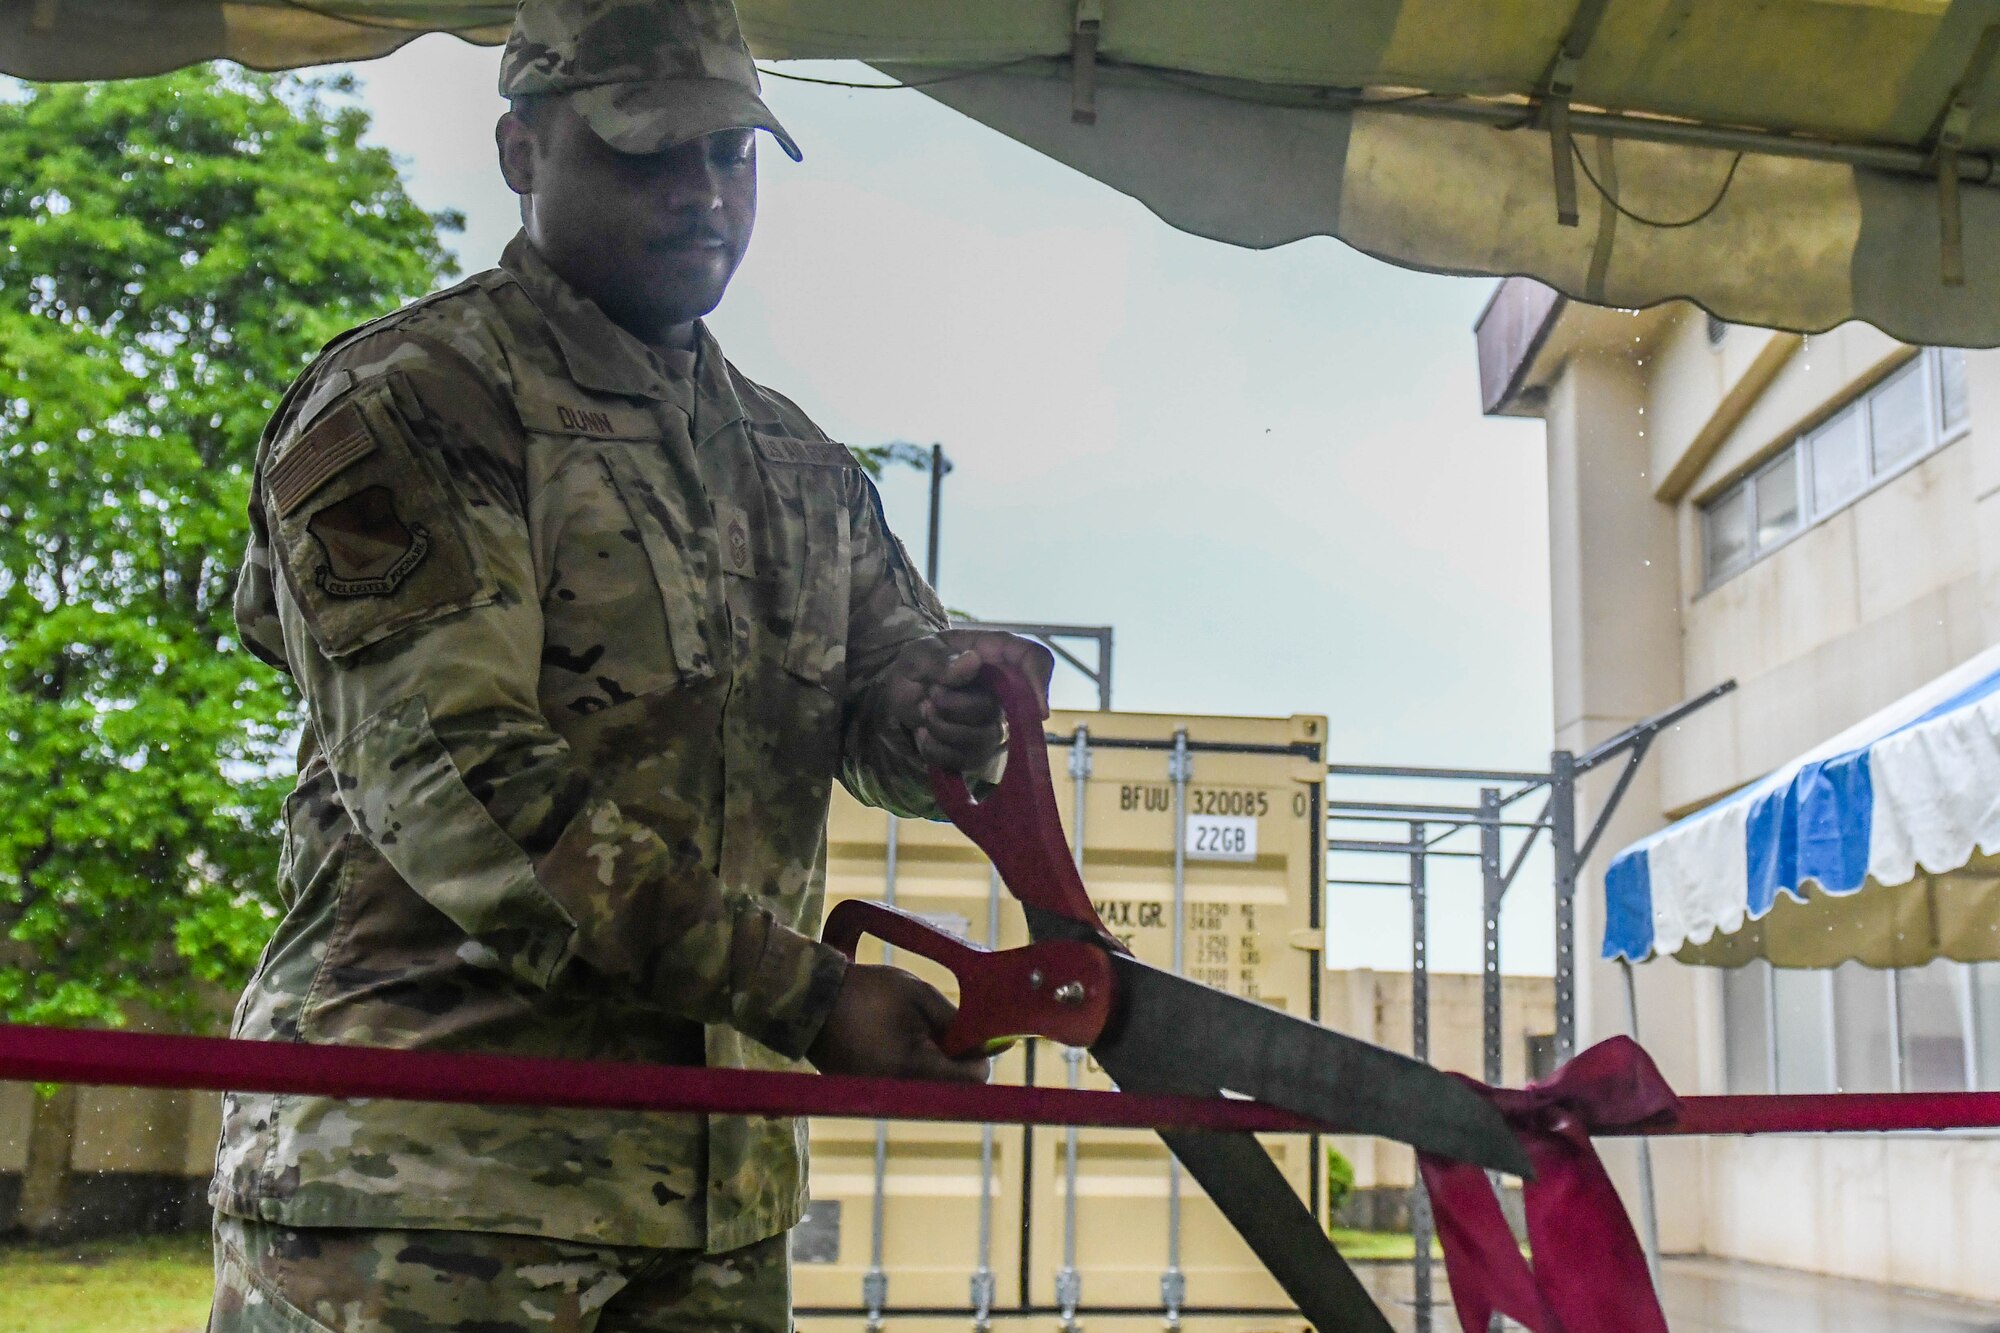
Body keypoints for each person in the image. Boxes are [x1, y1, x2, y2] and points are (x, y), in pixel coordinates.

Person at [206, 0, 1051, 1326]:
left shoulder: (796, 464)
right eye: (646, 154)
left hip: (712, 1202)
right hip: (428, 1191)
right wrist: (810, 995)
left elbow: (893, 733)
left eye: (730, 155)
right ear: (520, 152)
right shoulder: (414, 402)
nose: (702, 194)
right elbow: (462, 791)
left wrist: (950, 714)